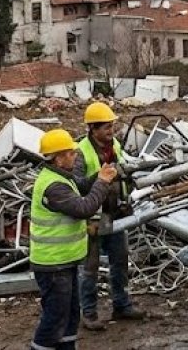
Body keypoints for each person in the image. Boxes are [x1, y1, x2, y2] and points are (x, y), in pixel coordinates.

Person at [30, 129, 116, 350]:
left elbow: (80, 186)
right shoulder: (53, 186)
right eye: (70, 153)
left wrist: (98, 177)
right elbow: (84, 208)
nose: (75, 155)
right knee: (54, 319)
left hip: (64, 261)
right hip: (53, 264)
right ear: (58, 157)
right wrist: (103, 183)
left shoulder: (60, 177)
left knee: (70, 316)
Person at [75, 102, 145, 331]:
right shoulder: (81, 152)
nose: (110, 131)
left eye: (112, 126)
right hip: (94, 218)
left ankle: (122, 305)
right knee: (90, 268)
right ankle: (89, 313)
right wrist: (102, 176)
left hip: (116, 213)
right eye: (106, 127)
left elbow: (124, 169)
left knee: (120, 261)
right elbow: (76, 186)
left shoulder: (114, 145)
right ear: (93, 129)